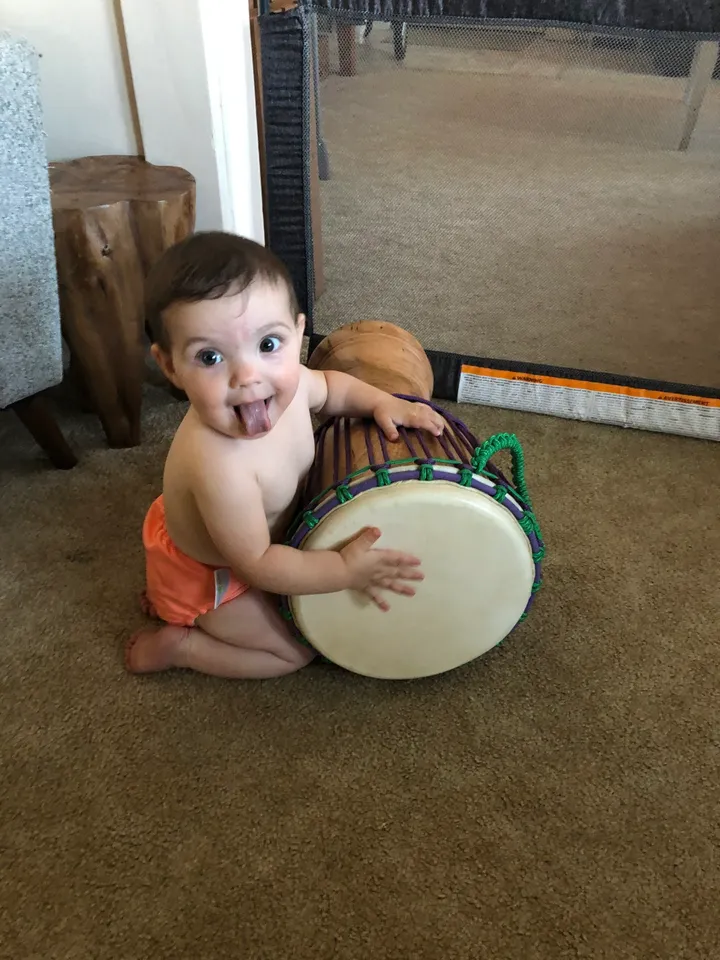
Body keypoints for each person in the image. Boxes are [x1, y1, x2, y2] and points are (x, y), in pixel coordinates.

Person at [125, 231, 445, 679]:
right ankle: (182, 642)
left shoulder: (291, 383)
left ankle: (172, 603)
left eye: (268, 345)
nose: (248, 376)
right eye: (210, 356)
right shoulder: (221, 467)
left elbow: (332, 389)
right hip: (215, 573)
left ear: (298, 334)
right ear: (170, 366)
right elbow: (256, 565)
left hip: (253, 543)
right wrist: (341, 570)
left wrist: (379, 402)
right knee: (294, 654)